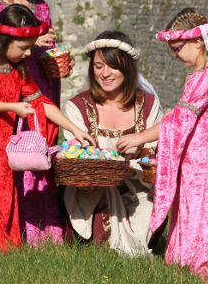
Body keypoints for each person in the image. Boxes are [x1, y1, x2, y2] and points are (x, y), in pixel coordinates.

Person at [117, 8, 208, 279]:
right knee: (196, 205)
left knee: (203, 207)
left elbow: (180, 120)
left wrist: (139, 137)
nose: (175, 55)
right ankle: (189, 259)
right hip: (203, 152)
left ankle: (206, 263)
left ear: (198, 42)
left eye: (178, 48)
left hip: (205, 157)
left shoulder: (206, 78)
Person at [0, 4, 93, 252]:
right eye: (24, 48)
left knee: (5, 189)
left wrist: (74, 128)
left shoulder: (18, 68)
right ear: (4, 41)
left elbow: (40, 102)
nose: (29, 54)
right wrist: (14, 107)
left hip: (3, 142)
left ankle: (5, 243)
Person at [0, 0, 65, 246]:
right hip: (12, 90)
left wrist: (56, 61)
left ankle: (47, 231)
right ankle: (18, 228)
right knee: (17, 152)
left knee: (41, 152)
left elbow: (46, 50)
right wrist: (33, 41)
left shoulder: (42, 8)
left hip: (41, 85)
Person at [62, 31, 163, 256]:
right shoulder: (77, 106)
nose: (105, 74)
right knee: (100, 229)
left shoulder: (147, 104)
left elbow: (155, 152)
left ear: (127, 68)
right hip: (93, 188)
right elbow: (77, 159)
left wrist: (136, 163)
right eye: (98, 66)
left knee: (150, 211)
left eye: (113, 67)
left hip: (138, 185)